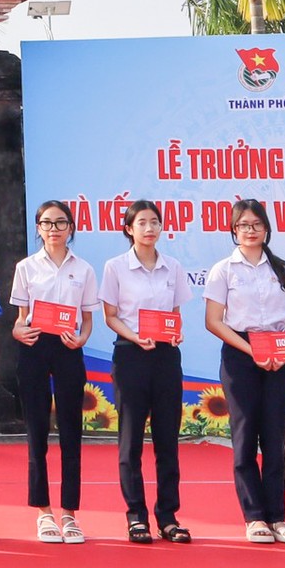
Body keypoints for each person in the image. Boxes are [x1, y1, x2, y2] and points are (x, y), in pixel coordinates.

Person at [204, 198, 285, 545]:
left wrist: (281, 349)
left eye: (256, 224)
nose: (250, 230)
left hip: (279, 354)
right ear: (233, 230)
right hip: (240, 353)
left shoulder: (282, 269)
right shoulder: (223, 270)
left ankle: (278, 516)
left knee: (275, 437)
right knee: (245, 436)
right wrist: (252, 350)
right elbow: (213, 322)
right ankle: (254, 517)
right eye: (243, 225)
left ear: (266, 229)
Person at [99, 198, 192, 545]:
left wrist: (176, 331)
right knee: (131, 440)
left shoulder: (173, 268)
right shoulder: (115, 267)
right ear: (128, 229)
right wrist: (135, 337)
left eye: (154, 222)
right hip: (130, 356)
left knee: (168, 440)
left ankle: (168, 517)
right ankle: (136, 516)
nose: (149, 228)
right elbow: (110, 315)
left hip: (166, 357)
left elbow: (176, 312)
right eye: (142, 222)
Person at [10, 198, 97, 544]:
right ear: (38, 228)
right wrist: (17, 330)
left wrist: (81, 340)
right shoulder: (26, 267)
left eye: (61, 223)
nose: (54, 229)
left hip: (68, 348)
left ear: (71, 228)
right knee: (36, 431)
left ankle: (70, 513)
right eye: (47, 223)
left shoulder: (84, 270)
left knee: (72, 432)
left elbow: (88, 320)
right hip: (33, 346)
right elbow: (19, 319)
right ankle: (44, 511)